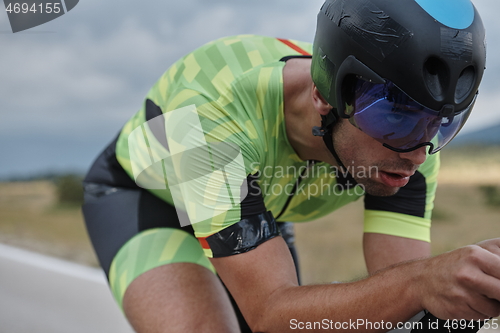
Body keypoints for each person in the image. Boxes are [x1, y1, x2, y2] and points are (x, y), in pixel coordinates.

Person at [82, 0, 500, 332]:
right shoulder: (210, 116)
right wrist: (419, 283)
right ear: (324, 96)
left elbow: (399, 300)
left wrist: (465, 296)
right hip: (151, 199)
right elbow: (272, 311)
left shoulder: (414, 141)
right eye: (397, 117)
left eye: (443, 123)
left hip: (257, 203)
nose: (417, 152)